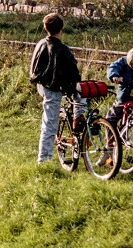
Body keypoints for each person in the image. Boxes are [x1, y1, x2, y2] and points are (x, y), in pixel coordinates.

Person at [29, 12, 85, 164]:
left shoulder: (40, 43)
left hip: (42, 85)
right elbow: (74, 73)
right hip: (55, 88)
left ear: (45, 28)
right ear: (61, 28)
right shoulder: (63, 49)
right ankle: (44, 159)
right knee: (50, 124)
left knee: (50, 120)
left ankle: (70, 122)